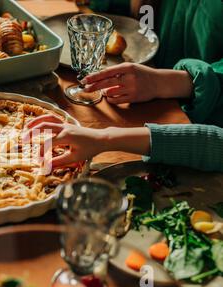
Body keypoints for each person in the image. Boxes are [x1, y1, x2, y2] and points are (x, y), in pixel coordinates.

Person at [26, 0, 223, 172]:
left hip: (196, 127)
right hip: (148, 98)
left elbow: (215, 146)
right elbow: (149, 15)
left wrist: (167, 82)